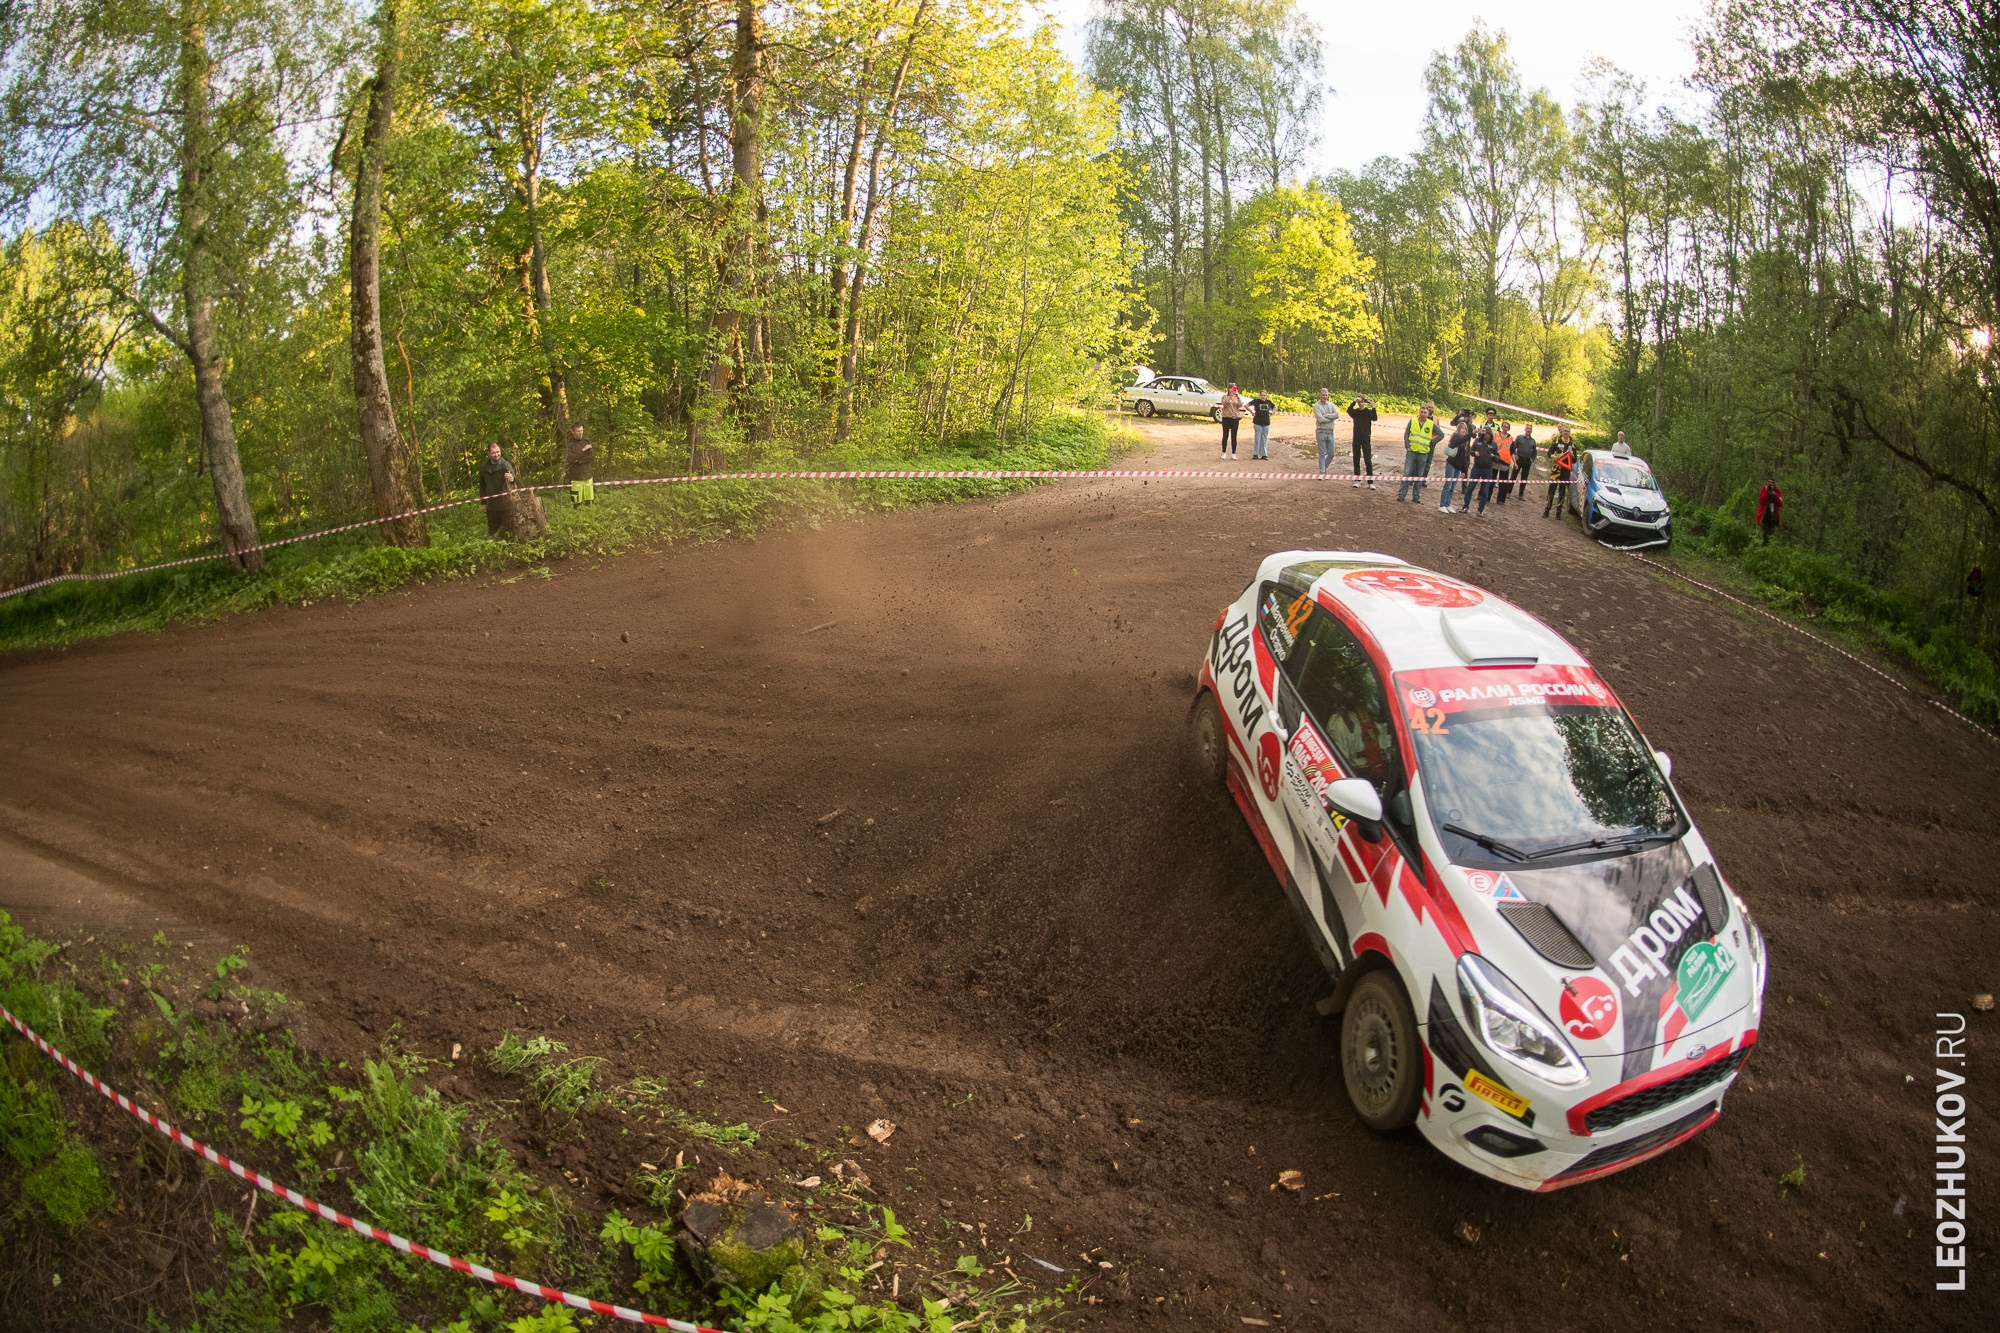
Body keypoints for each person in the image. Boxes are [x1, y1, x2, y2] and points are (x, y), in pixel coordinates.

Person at [1397, 404, 1442, 502]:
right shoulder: (1413, 421)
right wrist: (1407, 446)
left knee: (1419, 475)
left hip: (1423, 453)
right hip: (1412, 451)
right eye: (1421, 412)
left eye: (1425, 412)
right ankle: (1401, 495)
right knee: (1407, 473)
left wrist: (1432, 442)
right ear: (1419, 412)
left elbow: (1441, 434)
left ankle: (1416, 497)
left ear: (1428, 413)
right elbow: (1406, 433)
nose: (1423, 414)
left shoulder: (1431, 424)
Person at [480, 441, 518, 536]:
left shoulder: (505, 464)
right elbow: (482, 486)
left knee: (507, 530)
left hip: (505, 503)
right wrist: (483, 503)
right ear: (488, 453)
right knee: (493, 531)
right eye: (493, 453)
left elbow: (513, 477)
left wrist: (511, 478)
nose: (496, 454)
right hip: (491, 505)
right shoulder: (484, 468)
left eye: (498, 452)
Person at [1438, 418, 1473, 513]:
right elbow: (1464, 438)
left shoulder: (1464, 443)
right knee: (1448, 485)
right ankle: (1442, 504)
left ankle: (1448, 504)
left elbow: (1464, 458)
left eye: (1465, 429)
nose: (1464, 430)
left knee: (1453, 486)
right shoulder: (1456, 437)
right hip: (1451, 464)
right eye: (1462, 428)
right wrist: (1470, 430)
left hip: (1458, 466)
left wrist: (1463, 470)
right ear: (1458, 429)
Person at [1347, 393, 1379, 488]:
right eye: (1359, 402)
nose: (1360, 404)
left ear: (1364, 402)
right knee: (1356, 459)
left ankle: (1370, 482)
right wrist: (1353, 401)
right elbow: (1348, 410)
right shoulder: (1355, 412)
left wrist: (1373, 406)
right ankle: (1357, 480)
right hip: (1356, 438)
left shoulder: (1368, 412)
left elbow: (1375, 418)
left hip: (1366, 438)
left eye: (1362, 402)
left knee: (1368, 460)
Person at [1468, 426, 1502, 515]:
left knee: (1485, 491)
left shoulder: (1494, 444)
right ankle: (1465, 506)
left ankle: (1480, 510)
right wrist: (1474, 453)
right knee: (1470, 487)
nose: (1486, 435)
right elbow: (1470, 451)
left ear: (1490, 434)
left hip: (1487, 469)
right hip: (1477, 467)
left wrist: (1493, 457)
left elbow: (1497, 458)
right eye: (1485, 433)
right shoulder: (1477, 441)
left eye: (1488, 434)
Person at [1542, 433, 1574, 518]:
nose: (1566, 433)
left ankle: (1558, 512)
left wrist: (1572, 455)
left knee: (1562, 491)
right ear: (1562, 432)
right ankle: (1547, 510)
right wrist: (1553, 456)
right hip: (1556, 469)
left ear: (1569, 432)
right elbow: (1549, 452)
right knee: (1552, 489)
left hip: (1566, 470)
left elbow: (1574, 460)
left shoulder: (1572, 444)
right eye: (1565, 431)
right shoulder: (1557, 441)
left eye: (1568, 431)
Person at [566, 423, 595, 506]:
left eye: (582, 430)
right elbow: (570, 459)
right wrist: (583, 450)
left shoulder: (586, 442)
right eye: (578, 431)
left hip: (587, 475)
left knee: (589, 502)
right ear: (573, 432)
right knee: (576, 502)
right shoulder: (570, 444)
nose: (581, 432)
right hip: (576, 477)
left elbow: (591, 457)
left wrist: (579, 461)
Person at [1312, 390, 1341, 474]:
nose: (1324, 397)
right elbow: (1320, 419)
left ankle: (1324, 467)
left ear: (1328, 395)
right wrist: (1331, 418)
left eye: (1326, 395)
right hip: (1321, 432)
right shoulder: (1316, 406)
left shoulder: (1331, 405)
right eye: (1323, 395)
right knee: (1322, 453)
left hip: (1330, 432)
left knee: (1331, 453)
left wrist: (1327, 416)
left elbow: (1337, 415)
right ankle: (1322, 471)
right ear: (1320, 395)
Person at [1509, 425, 1537, 502]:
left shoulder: (1533, 441)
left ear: (1532, 430)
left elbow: (1534, 452)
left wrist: (1531, 460)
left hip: (1527, 462)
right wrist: (1515, 457)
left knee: (1524, 478)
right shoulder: (1519, 437)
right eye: (1527, 428)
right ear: (1525, 429)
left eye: (1530, 429)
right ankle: (1508, 492)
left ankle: (1521, 495)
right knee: (1513, 476)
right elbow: (1513, 448)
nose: (1529, 430)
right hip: (1518, 460)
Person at [1247, 389, 1277, 460]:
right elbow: (1246, 405)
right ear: (1259, 395)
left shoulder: (1269, 402)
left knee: (1264, 439)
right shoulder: (1255, 401)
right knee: (1257, 438)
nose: (1263, 397)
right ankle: (1256, 454)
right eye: (1262, 395)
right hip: (1257, 422)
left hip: (1266, 423)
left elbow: (1275, 407)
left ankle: (1264, 454)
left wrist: (1272, 412)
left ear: (1266, 396)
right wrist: (1251, 412)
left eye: (1264, 395)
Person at [1218, 384, 1245, 459]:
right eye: (1231, 388)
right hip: (1226, 417)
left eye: (1234, 388)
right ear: (1228, 389)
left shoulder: (1237, 397)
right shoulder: (1225, 397)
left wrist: (1238, 396)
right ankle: (1224, 452)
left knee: (1234, 436)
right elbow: (1224, 404)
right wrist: (1230, 396)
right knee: (1225, 435)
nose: (1232, 390)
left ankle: (1233, 453)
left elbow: (1240, 405)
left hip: (1235, 418)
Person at [1755, 475, 1783, 545]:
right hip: (1762, 519)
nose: (1770, 486)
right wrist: (1767, 492)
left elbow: (1781, 503)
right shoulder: (1764, 489)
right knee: (1759, 539)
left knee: (1771, 540)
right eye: (1769, 484)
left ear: (1775, 485)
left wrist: (1775, 495)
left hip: (1772, 520)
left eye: (1772, 485)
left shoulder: (1778, 491)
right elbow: (1761, 501)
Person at [1492, 421, 1514, 505]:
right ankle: (1486, 496)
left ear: (1508, 429)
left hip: (1505, 461)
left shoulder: (1511, 438)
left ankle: (1501, 500)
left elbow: (1512, 452)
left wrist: (1514, 463)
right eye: (1504, 426)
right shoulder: (1495, 434)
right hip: (1495, 459)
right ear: (1501, 426)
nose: (1505, 428)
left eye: (1507, 427)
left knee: (1503, 482)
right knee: (1490, 480)